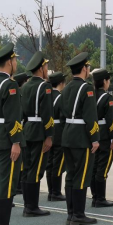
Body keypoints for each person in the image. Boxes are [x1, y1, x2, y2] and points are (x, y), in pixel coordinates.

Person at [61, 52, 99, 225]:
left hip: (67, 135)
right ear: (84, 69)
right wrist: (95, 138)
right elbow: (90, 117)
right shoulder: (87, 88)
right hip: (81, 137)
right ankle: (78, 215)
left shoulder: (67, 87)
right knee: (82, 176)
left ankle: (71, 214)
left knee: (70, 175)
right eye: (88, 67)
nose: (88, 69)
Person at [0, 43, 24, 225]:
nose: (16, 63)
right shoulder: (10, 85)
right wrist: (16, 141)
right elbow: (12, 116)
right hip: (6, 138)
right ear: (10, 62)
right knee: (7, 181)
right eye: (15, 60)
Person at [20, 52, 53, 217]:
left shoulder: (24, 86)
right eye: (46, 66)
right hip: (39, 131)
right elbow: (47, 113)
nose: (47, 69)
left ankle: (28, 205)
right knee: (36, 169)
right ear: (41, 68)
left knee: (27, 168)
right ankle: (32, 207)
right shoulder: (45, 86)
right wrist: (49, 135)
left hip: (26, 130)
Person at [90, 68, 113, 208]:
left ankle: (95, 197)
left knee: (94, 167)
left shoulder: (90, 96)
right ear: (105, 82)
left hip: (93, 134)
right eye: (108, 80)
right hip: (105, 136)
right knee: (103, 167)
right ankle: (100, 198)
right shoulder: (107, 98)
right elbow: (111, 120)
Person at [45, 72, 67, 201]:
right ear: (61, 83)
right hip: (58, 132)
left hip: (49, 131)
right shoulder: (60, 97)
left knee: (50, 162)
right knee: (58, 163)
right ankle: (56, 192)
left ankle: (50, 191)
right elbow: (63, 116)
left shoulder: (48, 96)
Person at [13, 72, 29, 199]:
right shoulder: (18, 95)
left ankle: (17, 186)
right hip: (19, 130)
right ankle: (17, 186)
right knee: (20, 162)